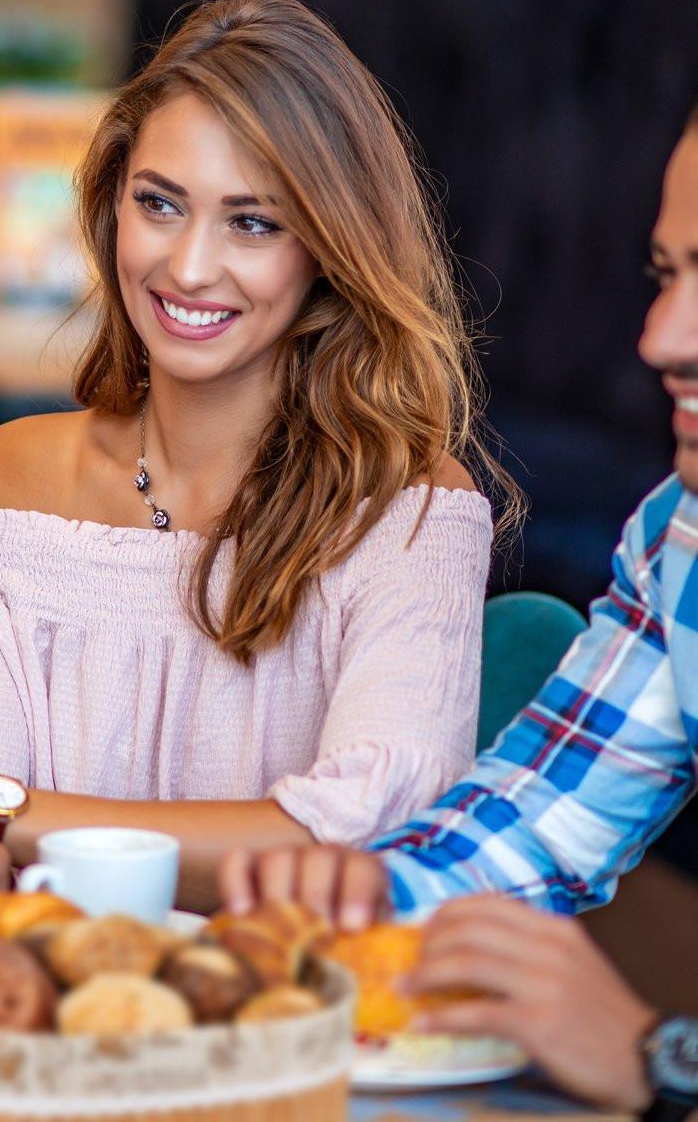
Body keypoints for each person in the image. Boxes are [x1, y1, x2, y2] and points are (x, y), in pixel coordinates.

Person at [0, 0, 518, 923]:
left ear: (330, 247)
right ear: (112, 208)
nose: (188, 267)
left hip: (286, 1037)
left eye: (253, 222)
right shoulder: (4, 485)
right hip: (31, 1029)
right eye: (160, 204)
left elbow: (356, 848)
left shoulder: (412, 512)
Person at [218, 112, 698, 1118]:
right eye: (665, 276)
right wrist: (342, 910)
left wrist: (659, 1056)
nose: (662, 338)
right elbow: (530, 831)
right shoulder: (683, 538)